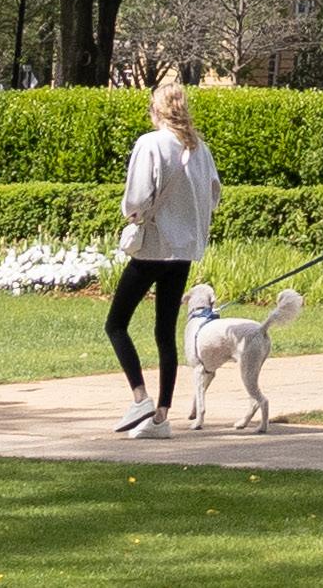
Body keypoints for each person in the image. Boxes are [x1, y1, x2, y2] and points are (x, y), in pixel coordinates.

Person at [106, 73, 222, 436]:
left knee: (116, 323)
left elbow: (136, 198)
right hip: (183, 250)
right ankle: (161, 414)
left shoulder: (151, 143)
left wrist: (133, 215)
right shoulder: (201, 149)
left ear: (156, 111)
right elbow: (214, 196)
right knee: (165, 332)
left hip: (154, 245)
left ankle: (140, 396)